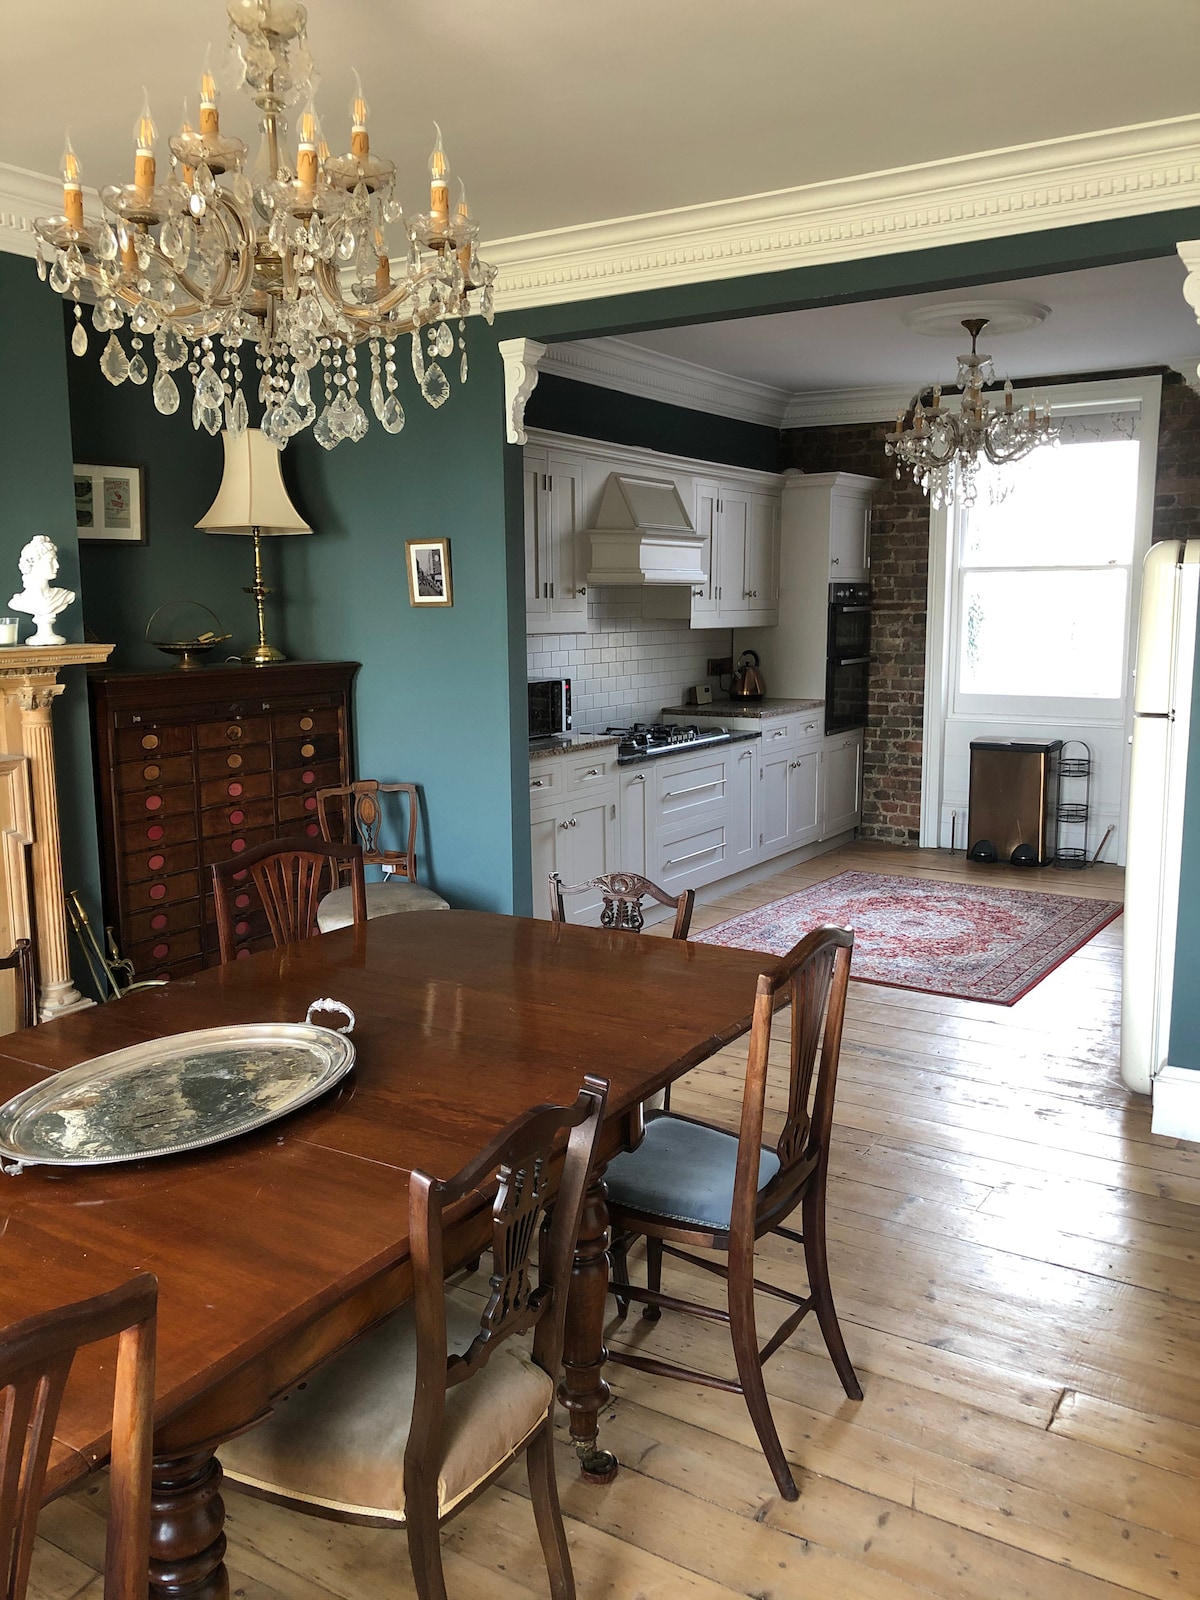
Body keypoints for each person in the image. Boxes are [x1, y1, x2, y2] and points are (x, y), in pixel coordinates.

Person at [10, 535, 74, 646]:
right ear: (32, 563)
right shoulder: (18, 602)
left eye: (55, 560)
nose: (57, 565)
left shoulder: (64, 596)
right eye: (50, 560)